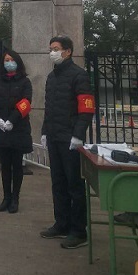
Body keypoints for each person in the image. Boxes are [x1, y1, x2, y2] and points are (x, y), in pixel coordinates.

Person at [40, 35, 95, 249]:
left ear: (68, 51)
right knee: (58, 183)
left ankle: (79, 231)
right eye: (50, 49)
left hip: (70, 139)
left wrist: (78, 135)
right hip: (54, 137)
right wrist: (45, 131)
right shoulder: (51, 77)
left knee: (74, 186)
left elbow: (86, 108)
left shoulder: (79, 75)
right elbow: (49, 108)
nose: (52, 52)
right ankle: (61, 224)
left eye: (56, 48)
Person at [0, 49, 33, 214]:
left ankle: (15, 198)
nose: (9, 62)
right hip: (1, 129)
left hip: (18, 129)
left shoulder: (25, 82)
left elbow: (26, 102)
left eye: (11, 59)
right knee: (5, 166)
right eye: (6, 60)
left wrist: (12, 120)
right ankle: (6, 198)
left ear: (17, 62)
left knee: (17, 165)